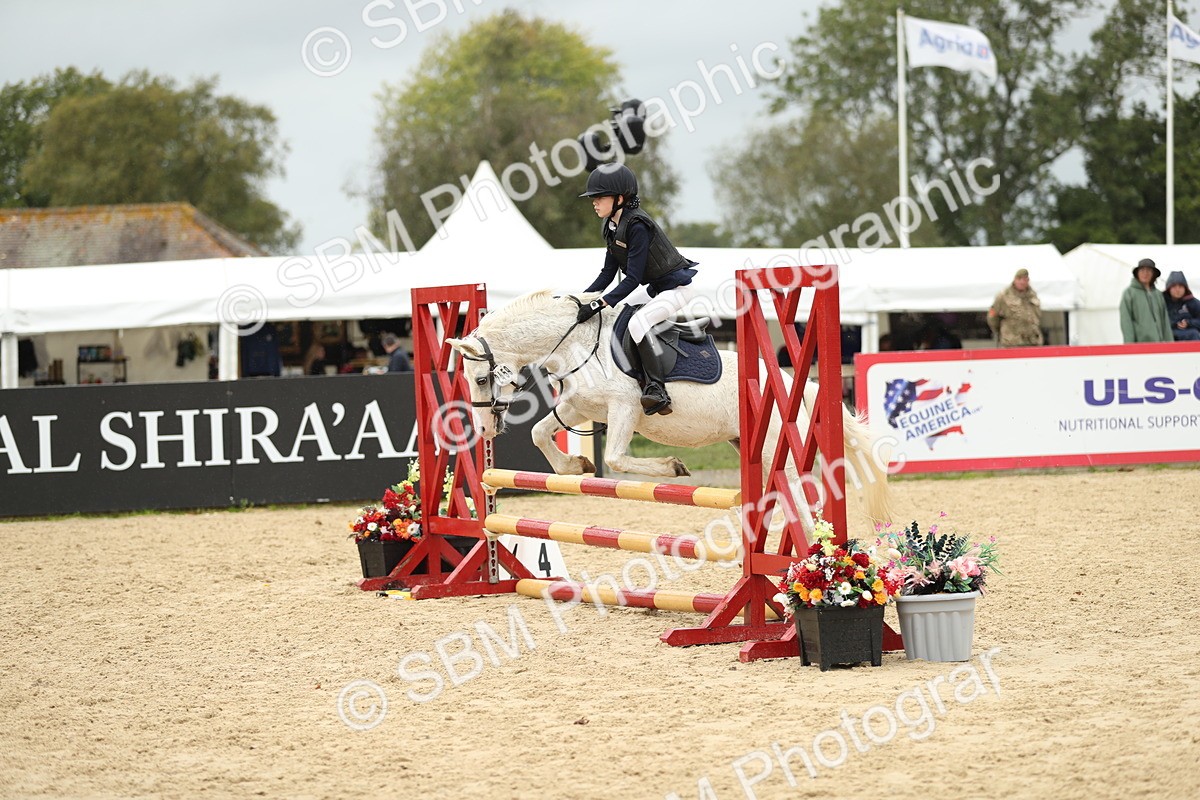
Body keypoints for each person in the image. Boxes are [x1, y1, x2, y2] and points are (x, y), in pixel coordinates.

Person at [575, 162, 698, 415]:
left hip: (676, 289)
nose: (594, 202)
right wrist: (581, 299)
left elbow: (632, 279)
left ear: (620, 198)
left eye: (599, 197)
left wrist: (597, 304)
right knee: (619, 312)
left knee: (637, 323)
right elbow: (608, 273)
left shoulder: (638, 225)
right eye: (593, 198)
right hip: (656, 289)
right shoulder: (611, 225)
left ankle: (657, 389)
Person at [1120, 258, 1173, 343]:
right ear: (1137, 273)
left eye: (1149, 270)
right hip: (1140, 344)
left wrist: (1170, 343)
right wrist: (1129, 345)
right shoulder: (1129, 293)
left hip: (1159, 343)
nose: (1145, 273)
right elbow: (1126, 321)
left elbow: (1165, 320)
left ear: (1153, 274)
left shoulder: (1158, 294)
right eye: (1142, 270)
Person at [987, 268, 1043, 347]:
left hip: (1032, 341)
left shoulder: (1032, 295)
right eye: (1019, 279)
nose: (1022, 282)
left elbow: (1037, 316)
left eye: (1025, 279)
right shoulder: (1004, 295)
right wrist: (1001, 333)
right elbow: (993, 317)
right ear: (1014, 279)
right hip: (1012, 342)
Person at [1163, 271, 1200, 342]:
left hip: (1189, 338)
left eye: (1180, 286)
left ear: (1185, 288)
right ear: (1169, 288)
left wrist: (1189, 322)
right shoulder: (1162, 302)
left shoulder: (1193, 303)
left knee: (1193, 333)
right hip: (1167, 337)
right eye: (1174, 286)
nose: (1177, 290)